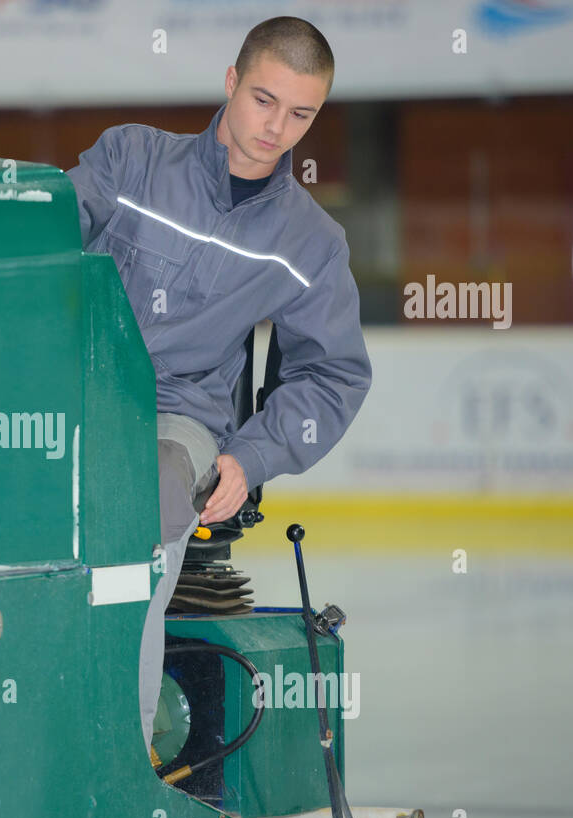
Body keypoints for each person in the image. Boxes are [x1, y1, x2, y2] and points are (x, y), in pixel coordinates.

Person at [64, 16, 374, 757]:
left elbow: (334, 374)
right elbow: (39, 247)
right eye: (264, 101)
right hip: (74, 395)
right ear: (232, 82)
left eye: (300, 114)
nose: (276, 129)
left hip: (179, 418)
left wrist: (252, 456)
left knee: (151, 491)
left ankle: (122, 749)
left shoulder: (310, 244)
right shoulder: (131, 160)